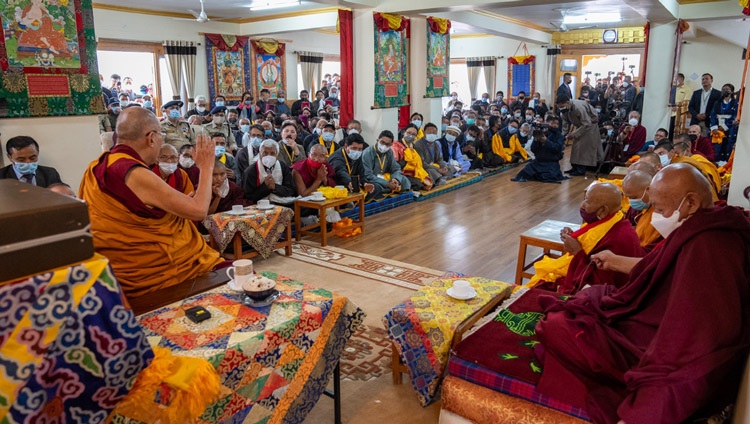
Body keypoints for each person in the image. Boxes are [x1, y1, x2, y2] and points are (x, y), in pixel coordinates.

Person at [535, 163, 750, 424]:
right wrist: (614, 261)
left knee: (560, 325)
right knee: (580, 304)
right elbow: (657, 267)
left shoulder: (711, 248)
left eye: (659, 209)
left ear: (690, 202)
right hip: (654, 317)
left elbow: (694, 341)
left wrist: (646, 409)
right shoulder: (706, 221)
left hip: (653, 337)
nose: (656, 215)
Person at [79, 108, 222, 298]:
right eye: (162, 135)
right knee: (239, 277)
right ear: (151, 138)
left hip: (120, 266)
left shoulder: (98, 166)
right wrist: (206, 167)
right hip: (152, 274)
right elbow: (198, 211)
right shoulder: (133, 172)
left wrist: (178, 206)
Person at [525, 182, 644, 294]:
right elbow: (590, 238)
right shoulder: (613, 219)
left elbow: (597, 285)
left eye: (587, 201)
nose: (582, 205)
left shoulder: (618, 239)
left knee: (534, 292)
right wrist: (574, 236)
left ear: (603, 210)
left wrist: (577, 252)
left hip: (600, 295)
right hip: (581, 274)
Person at [557, 94, 602, 176]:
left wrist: (574, 134)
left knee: (583, 148)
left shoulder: (578, 107)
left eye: (562, 106)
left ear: (568, 103)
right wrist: (562, 135)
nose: (561, 108)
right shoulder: (564, 110)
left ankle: (581, 169)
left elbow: (586, 123)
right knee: (575, 148)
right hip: (579, 126)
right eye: (559, 107)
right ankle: (574, 167)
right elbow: (565, 123)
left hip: (590, 126)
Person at [242, 139, 297, 204]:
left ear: (277, 154)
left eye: (272, 153)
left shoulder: (283, 167)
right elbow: (248, 197)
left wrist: (275, 187)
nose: (268, 156)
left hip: (281, 202)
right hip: (259, 205)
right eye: (265, 153)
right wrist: (265, 187)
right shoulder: (250, 171)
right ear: (259, 154)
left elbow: (291, 190)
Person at [512, 118, 566, 183]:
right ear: (547, 124)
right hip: (538, 162)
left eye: (557, 124)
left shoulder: (559, 136)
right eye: (552, 123)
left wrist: (546, 141)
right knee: (524, 173)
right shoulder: (542, 133)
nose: (555, 125)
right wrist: (536, 140)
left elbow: (557, 148)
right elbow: (533, 149)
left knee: (547, 176)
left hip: (551, 163)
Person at [329, 133, 381, 201]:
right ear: (346, 146)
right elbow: (340, 172)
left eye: (360, 149)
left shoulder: (357, 156)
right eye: (354, 148)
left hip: (352, 185)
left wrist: (365, 183)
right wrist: (349, 182)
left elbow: (362, 173)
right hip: (339, 185)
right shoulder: (337, 157)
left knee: (376, 188)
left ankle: (356, 203)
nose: (357, 151)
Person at [621, 170, 661, 251]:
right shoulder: (648, 207)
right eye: (628, 197)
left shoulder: (661, 212)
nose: (631, 201)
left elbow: (654, 248)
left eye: (633, 197)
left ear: (649, 189)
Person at [391, 124, 433, 191]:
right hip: (401, 173)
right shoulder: (396, 146)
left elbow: (418, 162)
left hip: (413, 172)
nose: (411, 136)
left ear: (416, 137)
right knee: (418, 184)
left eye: (413, 134)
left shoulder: (413, 147)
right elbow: (395, 165)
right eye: (408, 133)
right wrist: (407, 163)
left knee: (428, 180)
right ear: (403, 132)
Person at [709, 83, 739, 162]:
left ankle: (726, 163)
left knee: (728, 145)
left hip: (730, 127)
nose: (725, 91)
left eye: (727, 89)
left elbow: (735, 116)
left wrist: (725, 126)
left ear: (732, 91)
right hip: (718, 126)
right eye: (724, 89)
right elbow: (713, 114)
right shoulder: (717, 103)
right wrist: (714, 127)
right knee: (717, 146)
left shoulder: (735, 103)